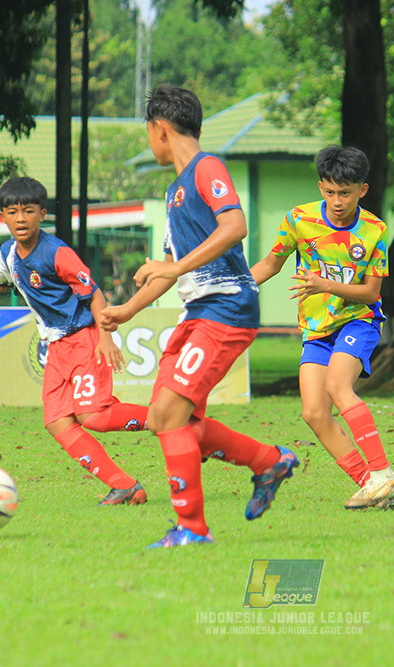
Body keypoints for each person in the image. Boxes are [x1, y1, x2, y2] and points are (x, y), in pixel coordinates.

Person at [100, 84, 299, 548]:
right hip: (200, 311)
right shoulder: (174, 192)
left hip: (227, 308)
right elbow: (170, 272)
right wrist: (126, 311)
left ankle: (192, 528)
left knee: (170, 413)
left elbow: (235, 226)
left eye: (148, 132)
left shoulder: (207, 167)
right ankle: (268, 461)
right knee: (167, 419)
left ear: (159, 129)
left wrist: (172, 266)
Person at [0, 176, 150, 506]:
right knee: (57, 422)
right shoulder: (8, 253)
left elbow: (94, 293)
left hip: (85, 338)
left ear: (42, 214)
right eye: (12, 211)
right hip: (57, 347)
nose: (20, 218)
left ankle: (167, 419)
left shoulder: (57, 253)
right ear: (2, 216)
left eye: (28, 210)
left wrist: (105, 338)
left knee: (92, 416)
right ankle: (124, 485)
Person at [249, 145, 394, 510]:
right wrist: (233, 291)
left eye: (345, 193)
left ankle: (383, 472)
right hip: (317, 327)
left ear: (361, 191)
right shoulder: (299, 220)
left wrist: (326, 286)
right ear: (321, 187)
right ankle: (372, 484)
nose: (337, 201)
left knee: (337, 386)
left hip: (359, 320)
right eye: (330, 191)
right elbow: (271, 264)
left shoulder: (374, 230)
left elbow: (370, 293)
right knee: (314, 412)